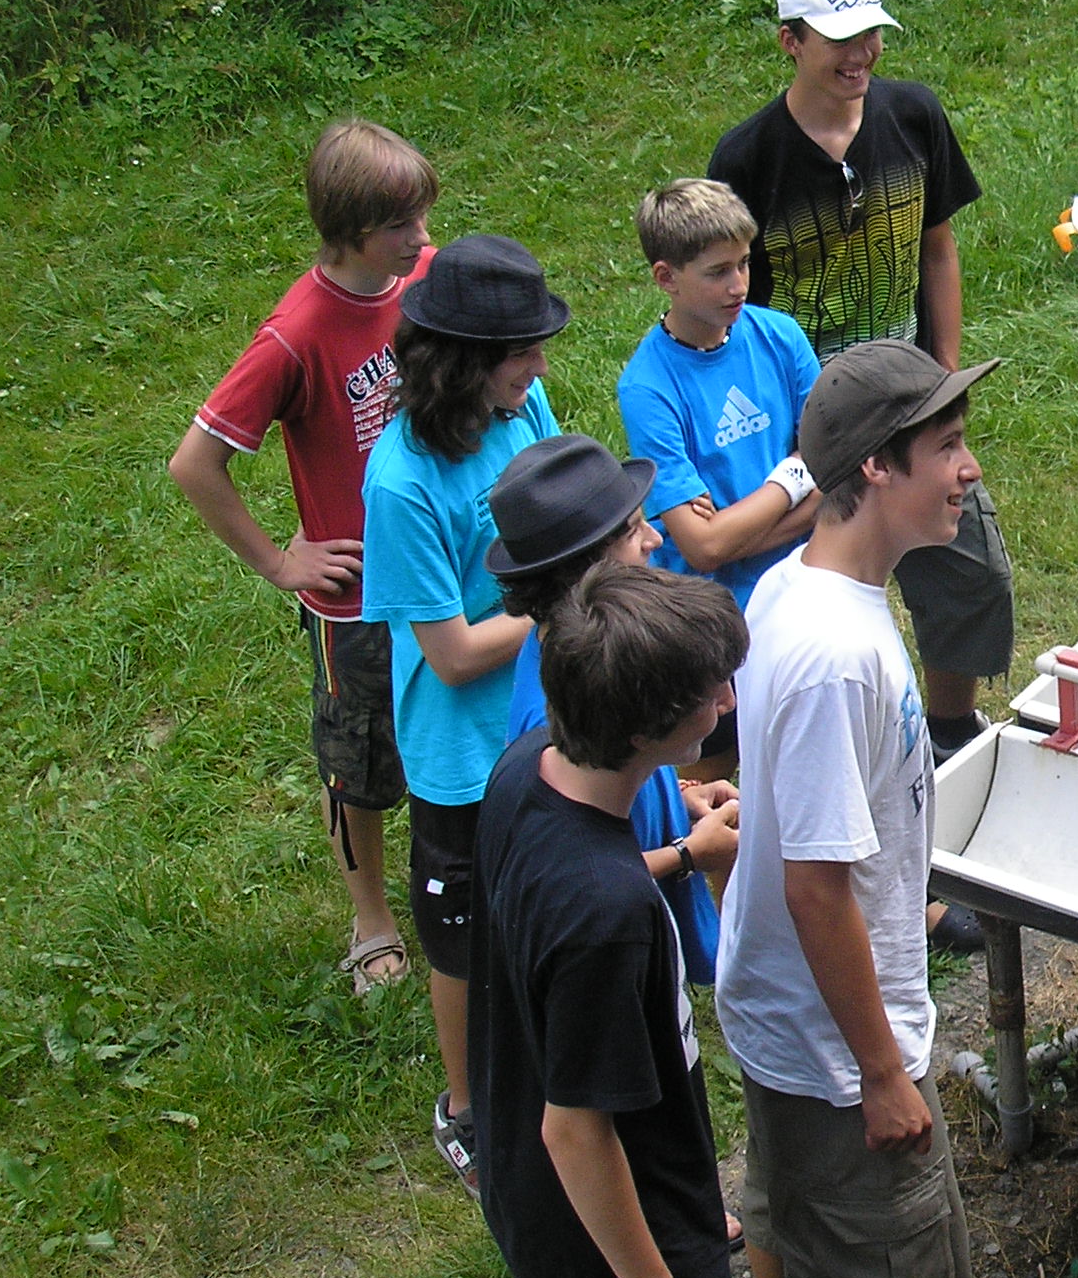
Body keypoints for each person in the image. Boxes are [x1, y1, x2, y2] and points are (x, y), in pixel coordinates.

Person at [714, 338, 1031, 1278]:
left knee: (790, 1198)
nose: (968, 470)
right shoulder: (837, 653)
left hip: (781, 1013)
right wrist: (884, 1072)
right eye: (947, 448)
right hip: (842, 1030)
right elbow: (816, 887)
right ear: (877, 469)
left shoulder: (799, 592)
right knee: (900, 1250)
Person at [468, 561, 781, 1278]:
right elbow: (577, 1132)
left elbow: (575, 886)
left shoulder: (526, 772)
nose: (728, 700)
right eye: (711, 692)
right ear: (651, 728)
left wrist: (682, 848)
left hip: (534, 1218)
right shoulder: (605, 922)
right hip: (625, 1235)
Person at [707, 0, 1011, 764]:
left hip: (910, 391)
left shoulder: (913, 116)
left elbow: (938, 249)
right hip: (810, 413)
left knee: (969, 569)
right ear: (790, 41)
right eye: (840, 39)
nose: (862, 54)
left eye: (871, 34)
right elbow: (741, 301)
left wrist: (943, 379)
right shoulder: (747, 159)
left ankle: (949, 728)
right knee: (818, 586)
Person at [168, 118, 437, 992]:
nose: (423, 238)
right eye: (401, 226)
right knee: (358, 764)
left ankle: (461, 881)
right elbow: (195, 463)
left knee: (451, 731)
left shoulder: (425, 280)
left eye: (423, 218)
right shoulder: (296, 335)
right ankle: (372, 919)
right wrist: (280, 564)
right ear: (351, 231)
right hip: (357, 598)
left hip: (440, 564)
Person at [359, 234, 569, 1192]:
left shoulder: (522, 409)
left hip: (542, 713)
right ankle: (469, 1108)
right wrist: (560, 594)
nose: (540, 369)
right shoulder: (401, 482)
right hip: (461, 754)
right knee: (465, 938)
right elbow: (449, 655)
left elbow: (563, 506)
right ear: (465, 363)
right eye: (523, 353)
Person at [490, 434, 740, 988]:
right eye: (632, 531)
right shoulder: (550, 723)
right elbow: (576, 876)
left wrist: (679, 801)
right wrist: (688, 854)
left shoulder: (585, 657)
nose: (655, 539)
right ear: (582, 570)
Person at [616, 178, 823, 616]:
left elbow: (840, 469)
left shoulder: (781, 336)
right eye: (718, 272)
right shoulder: (648, 389)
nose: (739, 286)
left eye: (744, 263)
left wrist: (733, 532)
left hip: (808, 578)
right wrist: (796, 475)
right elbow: (704, 549)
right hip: (720, 610)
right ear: (666, 277)